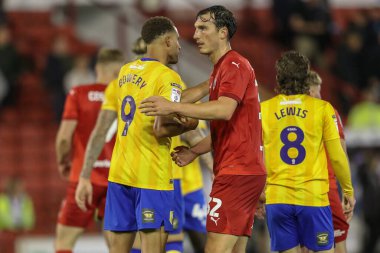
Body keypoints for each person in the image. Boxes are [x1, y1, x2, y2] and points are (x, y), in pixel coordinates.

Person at [139, 6, 267, 253]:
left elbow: (223, 111)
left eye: (203, 28)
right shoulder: (220, 71)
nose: (195, 35)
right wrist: (194, 151)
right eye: (196, 28)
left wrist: (171, 105)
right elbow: (225, 123)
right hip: (242, 170)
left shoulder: (234, 66)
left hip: (236, 172)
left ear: (222, 32)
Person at [75, 16, 198, 253]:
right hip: (151, 175)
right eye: (178, 41)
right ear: (168, 40)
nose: (181, 47)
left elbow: (104, 129)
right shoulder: (169, 77)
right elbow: (162, 127)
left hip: (120, 175)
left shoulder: (124, 73)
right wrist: (189, 124)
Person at [260, 51, 355, 253]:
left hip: (277, 199)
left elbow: (254, 157)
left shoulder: (263, 110)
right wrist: (348, 190)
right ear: (306, 78)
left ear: (278, 78)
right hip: (312, 198)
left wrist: (257, 196)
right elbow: (338, 158)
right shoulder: (322, 109)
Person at [54, 48, 124, 253]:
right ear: (118, 72)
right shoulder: (126, 97)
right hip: (117, 179)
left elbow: (64, 139)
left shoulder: (78, 94)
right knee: (117, 245)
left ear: (97, 68)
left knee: (64, 242)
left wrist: (62, 161)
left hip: (84, 177)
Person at [307, 70, 351, 253]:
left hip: (294, 190)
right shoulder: (328, 111)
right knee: (337, 239)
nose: (319, 95)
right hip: (325, 188)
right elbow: (341, 152)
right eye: (315, 91)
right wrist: (347, 191)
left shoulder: (287, 114)